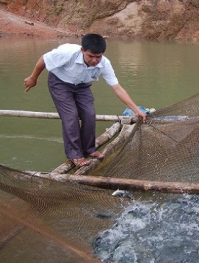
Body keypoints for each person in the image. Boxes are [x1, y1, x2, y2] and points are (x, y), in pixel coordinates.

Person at [23, 33, 147, 167]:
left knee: (89, 114)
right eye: (90, 56)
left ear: (102, 54)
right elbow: (44, 59)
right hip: (60, 83)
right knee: (70, 116)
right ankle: (75, 155)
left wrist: (136, 110)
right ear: (82, 51)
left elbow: (117, 88)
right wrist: (33, 78)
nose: (94, 60)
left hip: (82, 85)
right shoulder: (67, 53)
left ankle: (89, 149)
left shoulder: (105, 64)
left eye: (98, 57)